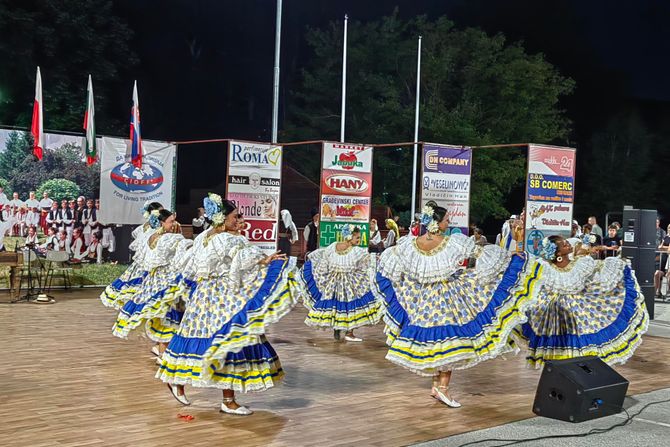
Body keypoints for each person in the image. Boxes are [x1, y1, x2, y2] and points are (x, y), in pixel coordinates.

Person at [375, 202, 536, 408]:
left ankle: (436, 386)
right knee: (448, 342)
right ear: (437, 222)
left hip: (422, 301)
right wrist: (514, 251)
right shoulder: (452, 242)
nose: (449, 222)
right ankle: (443, 389)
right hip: (446, 299)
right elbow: (485, 257)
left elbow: (390, 264)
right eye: (446, 220)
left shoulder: (411, 244)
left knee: (435, 342)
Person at [156, 194, 296, 415]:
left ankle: (177, 380)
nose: (238, 219)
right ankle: (228, 401)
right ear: (222, 218)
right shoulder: (232, 239)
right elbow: (243, 260)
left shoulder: (204, 237)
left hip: (202, 297)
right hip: (222, 298)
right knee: (230, 342)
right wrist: (266, 260)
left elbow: (190, 265)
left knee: (195, 339)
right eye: (235, 216)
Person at [517, 236, 649, 368]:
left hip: (577, 311)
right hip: (556, 313)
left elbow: (595, 279)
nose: (568, 244)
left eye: (567, 242)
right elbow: (532, 271)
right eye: (564, 244)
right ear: (557, 253)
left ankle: (575, 369)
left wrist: (615, 267)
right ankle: (562, 369)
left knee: (579, 339)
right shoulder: (546, 267)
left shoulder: (579, 264)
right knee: (559, 343)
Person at [112, 210, 192, 355]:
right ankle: (164, 353)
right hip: (167, 281)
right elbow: (182, 258)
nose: (174, 224)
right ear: (162, 223)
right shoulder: (173, 239)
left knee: (162, 317)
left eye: (174, 221)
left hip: (154, 281)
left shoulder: (152, 237)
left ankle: (162, 351)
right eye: (171, 221)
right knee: (168, 318)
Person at [297, 224, 383, 342]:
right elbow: (367, 261)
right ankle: (348, 332)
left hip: (335, 282)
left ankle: (340, 328)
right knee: (349, 306)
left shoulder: (334, 246)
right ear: (349, 237)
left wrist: (324, 276)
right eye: (357, 238)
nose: (359, 240)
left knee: (337, 305)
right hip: (347, 284)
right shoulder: (356, 251)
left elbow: (324, 262)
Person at [100, 201, 163, 310]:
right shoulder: (152, 228)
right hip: (147, 262)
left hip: (145, 261)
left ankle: (139, 307)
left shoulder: (145, 227)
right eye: (161, 211)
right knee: (141, 286)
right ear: (155, 213)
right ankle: (138, 307)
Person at [654, 224, 670, 299]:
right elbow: (659, 247)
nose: (669, 229)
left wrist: (664, 248)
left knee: (668, 275)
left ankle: (668, 293)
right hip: (663, 260)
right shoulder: (666, 237)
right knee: (657, 273)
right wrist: (665, 248)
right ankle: (657, 292)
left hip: (669, 261)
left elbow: (668, 249)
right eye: (668, 228)